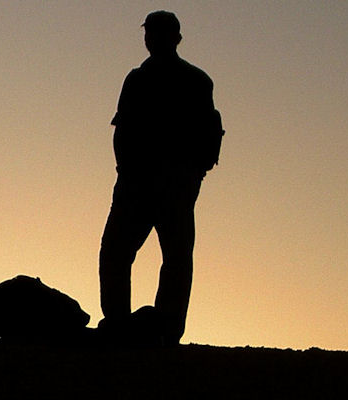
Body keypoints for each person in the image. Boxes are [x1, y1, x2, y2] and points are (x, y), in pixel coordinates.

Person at [97, 11, 224, 346]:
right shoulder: (141, 78)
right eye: (149, 33)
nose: (151, 39)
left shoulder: (192, 81)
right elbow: (122, 129)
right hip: (142, 182)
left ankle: (161, 329)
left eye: (157, 33)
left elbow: (209, 131)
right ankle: (124, 324)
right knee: (121, 253)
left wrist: (194, 172)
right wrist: (124, 170)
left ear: (175, 38)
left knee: (171, 256)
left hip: (169, 184)